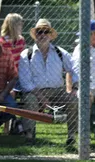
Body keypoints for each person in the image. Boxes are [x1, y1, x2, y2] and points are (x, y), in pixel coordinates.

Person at [18, 19, 78, 147]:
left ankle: (71, 137)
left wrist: (75, 87)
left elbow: (74, 68)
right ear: (35, 35)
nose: (43, 35)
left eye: (46, 32)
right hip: (35, 92)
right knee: (30, 101)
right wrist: (41, 97)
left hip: (58, 91)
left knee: (73, 100)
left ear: (51, 35)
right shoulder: (26, 55)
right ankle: (29, 136)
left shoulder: (60, 52)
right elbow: (25, 83)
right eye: (39, 32)